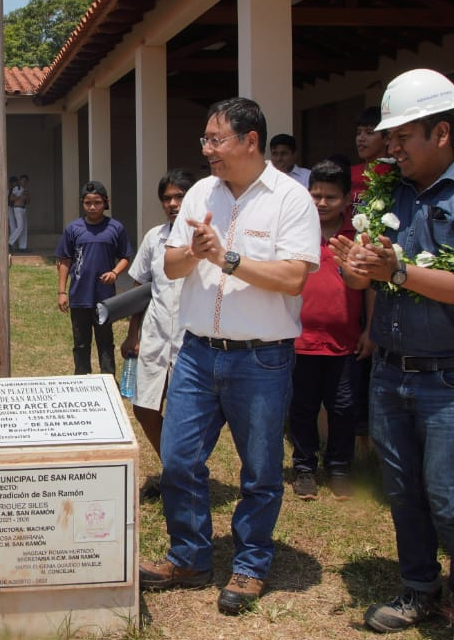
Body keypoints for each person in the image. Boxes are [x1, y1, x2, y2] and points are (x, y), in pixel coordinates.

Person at [330, 68, 454, 640]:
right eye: (391, 135)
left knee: (451, 499)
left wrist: (397, 270)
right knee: (403, 493)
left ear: (441, 134)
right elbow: (367, 282)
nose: (392, 146)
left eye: (404, 135)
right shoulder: (390, 194)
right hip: (391, 371)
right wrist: (356, 271)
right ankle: (420, 589)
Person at [139, 97, 319, 617]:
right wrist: (194, 252)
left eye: (215, 139)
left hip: (260, 360)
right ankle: (190, 557)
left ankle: (251, 562)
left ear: (250, 141)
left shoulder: (291, 198)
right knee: (178, 460)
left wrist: (227, 258)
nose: (207, 150)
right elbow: (171, 268)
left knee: (260, 470)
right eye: (205, 140)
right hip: (197, 353)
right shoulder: (199, 192)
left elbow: (292, 277)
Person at [288, 159, 369, 501]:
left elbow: (371, 288)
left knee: (343, 408)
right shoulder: (294, 233)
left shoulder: (357, 237)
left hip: (345, 342)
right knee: (302, 407)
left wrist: (371, 332)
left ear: (347, 198)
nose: (321, 203)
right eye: (316, 195)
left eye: (330, 197)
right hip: (299, 340)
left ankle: (339, 469)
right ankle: (304, 468)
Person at [121, 169, 194, 487]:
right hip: (155, 332)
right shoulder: (155, 238)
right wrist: (132, 333)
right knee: (143, 407)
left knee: (184, 415)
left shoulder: (206, 240)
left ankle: (183, 476)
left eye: (180, 196)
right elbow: (140, 287)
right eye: (167, 198)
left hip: (192, 340)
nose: (173, 203)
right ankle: (176, 468)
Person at [56, 180, 133, 375]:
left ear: (105, 202)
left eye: (97, 202)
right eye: (88, 203)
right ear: (82, 203)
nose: (92, 207)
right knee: (80, 342)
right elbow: (64, 260)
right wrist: (62, 292)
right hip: (80, 296)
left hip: (104, 297)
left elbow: (126, 256)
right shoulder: (73, 229)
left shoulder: (115, 228)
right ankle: (82, 381)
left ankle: (108, 381)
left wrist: (115, 272)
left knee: (105, 341)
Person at [353, 106, 389, 203]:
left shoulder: (393, 174)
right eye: (358, 132)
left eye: (369, 133)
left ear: (386, 139)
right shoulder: (350, 174)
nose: (361, 138)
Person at [9, 174, 30, 252]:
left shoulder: (26, 190)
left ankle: (23, 247)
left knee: (24, 229)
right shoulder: (16, 188)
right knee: (20, 227)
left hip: (23, 209)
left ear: (27, 182)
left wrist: (27, 195)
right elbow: (11, 198)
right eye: (22, 180)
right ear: (20, 181)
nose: (23, 182)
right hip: (17, 209)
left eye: (25, 181)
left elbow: (28, 201)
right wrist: (20, 197)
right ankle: (9, 242)